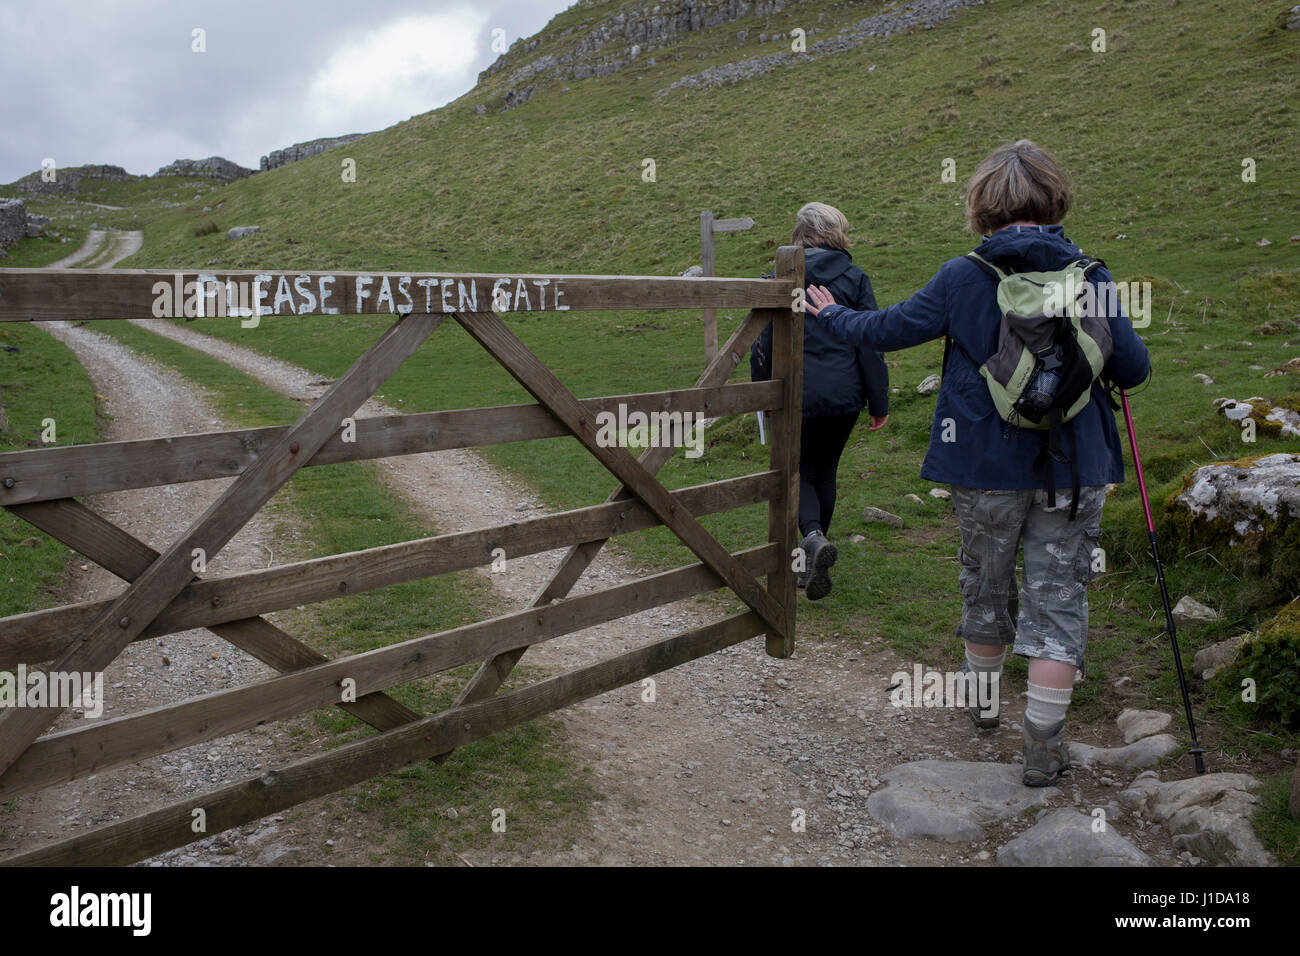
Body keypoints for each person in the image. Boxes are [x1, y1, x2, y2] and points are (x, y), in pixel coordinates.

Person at [803, 140, 1150, 786]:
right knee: (1058, 599)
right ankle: (1043, 744)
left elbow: (889, 329)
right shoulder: (1092, 276)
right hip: (1075, 469)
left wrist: (835, 315)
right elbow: (1134, 368)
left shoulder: (964, 278)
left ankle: (985, 709)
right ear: (1055, 199)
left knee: (986, 586)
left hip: (984, 463)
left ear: (983, 207)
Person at [751, 201, 889, 601]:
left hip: (795, 392)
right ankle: (810, 558)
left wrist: (762, 392)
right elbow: (870, 341)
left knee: (795, 473)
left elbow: (764, 341)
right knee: (824, 471)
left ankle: (810, 541)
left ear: (800, 235)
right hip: (845, 395)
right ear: (837, 234)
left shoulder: (783, 275)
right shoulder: (854, 277)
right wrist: (878, 400)